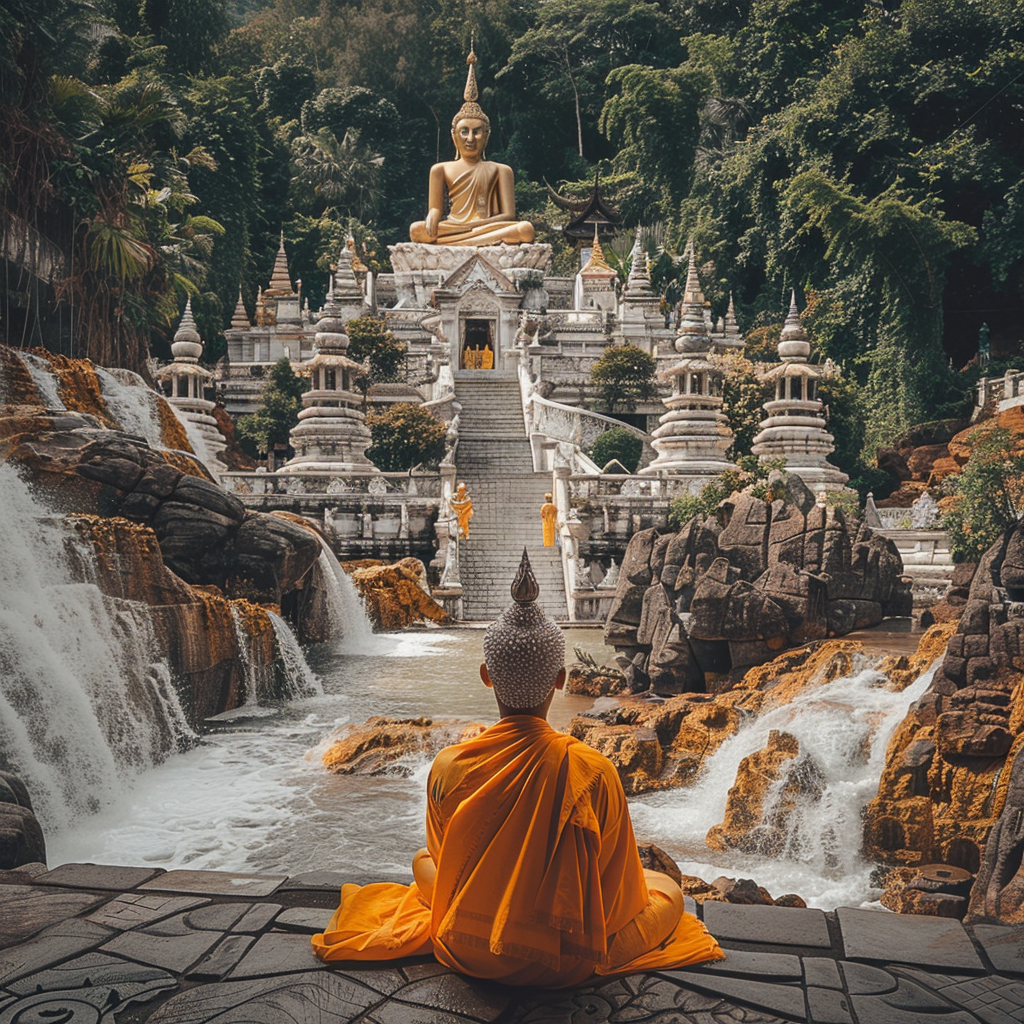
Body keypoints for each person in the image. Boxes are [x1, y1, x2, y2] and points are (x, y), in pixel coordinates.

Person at [311, 551, 723, 986]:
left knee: (421, 862)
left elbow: (444, 866)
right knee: (666, 890)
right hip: (567, 961)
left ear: (487, 675)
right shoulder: (593, 769)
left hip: (467, 946)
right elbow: (615, 892)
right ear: (561, 679)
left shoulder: (450, 765)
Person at [409, 49, 534, 248]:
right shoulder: (440, 169)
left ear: (487, 135)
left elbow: (509, 214)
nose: (470, 138)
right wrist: (432, 215)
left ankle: (463, 241)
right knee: (416, 230)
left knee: (525, 229)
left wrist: (476, 225)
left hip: (486, 226)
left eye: (477, 132)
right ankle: (471, 240)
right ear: (454, 135)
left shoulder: (501, 170)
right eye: (464, 131)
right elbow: (435, 208)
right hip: (453, 226)